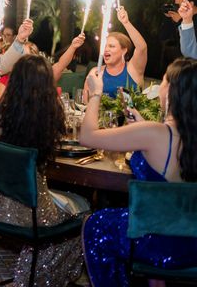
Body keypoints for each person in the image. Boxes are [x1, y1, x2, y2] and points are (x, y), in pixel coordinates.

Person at [0, 55, 89, 286]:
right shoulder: (51, 119)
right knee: (85, 213)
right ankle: (44, 274)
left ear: (14, 82)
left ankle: (35, 271)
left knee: (70, 208)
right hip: (34, 209)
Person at [80, 58, 197, 287]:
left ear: (172, 90)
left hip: (158, 241)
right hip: (191, 243)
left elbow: (86, 137)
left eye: (163, 80)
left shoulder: (155, 133)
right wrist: (143, 127)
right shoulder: (186, 135)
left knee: (95, 223)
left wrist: (95, 94)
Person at [0, 34, 86, 104]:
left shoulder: (41, 78)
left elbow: (60, 65)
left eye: (25, 57)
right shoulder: (7, 79)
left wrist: (73, 47)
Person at [83, 6, 147, 97]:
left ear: (124, 50)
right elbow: (85, 101)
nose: (106, 49)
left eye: (111, 46)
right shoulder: (95, 72)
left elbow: (142, 48)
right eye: (104, 46)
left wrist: (126, 22)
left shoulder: (133, 69)